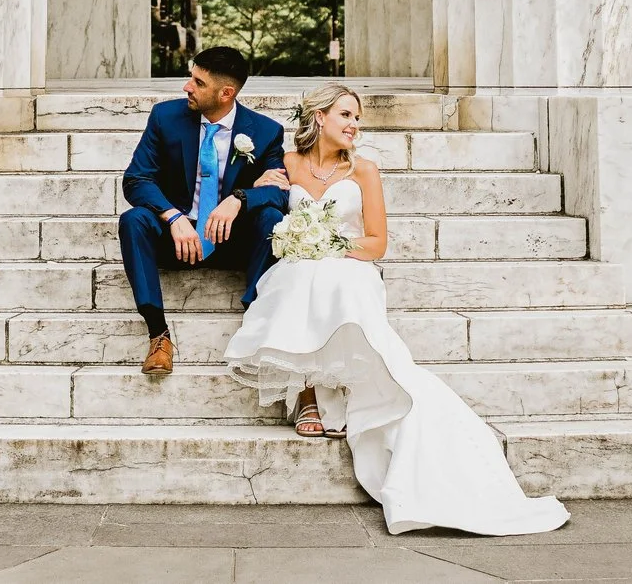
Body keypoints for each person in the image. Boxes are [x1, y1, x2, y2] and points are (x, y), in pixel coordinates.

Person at [225, 83, 570, 536]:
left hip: (350, 264)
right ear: (320, 118)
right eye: (346, 115)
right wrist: (257, 199)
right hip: (300, 264)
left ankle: (354, 390)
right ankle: (306, 394)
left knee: (333, 280)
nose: (354, 125)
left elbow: (376, 242)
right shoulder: (286, 166)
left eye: (357, 118)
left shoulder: (365, 170)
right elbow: (256, 207)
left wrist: (326, 243)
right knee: (295, 276)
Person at [116, 46, 289, 376]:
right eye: (190, 77)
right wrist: (173, 215)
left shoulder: (265, 132)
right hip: (178, 237)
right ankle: (159, 336)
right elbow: (136, 179)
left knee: (272, 219)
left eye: (198, 82)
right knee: (134, 220)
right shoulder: (165, 118)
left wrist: (239, 198)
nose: (187, 87)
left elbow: (279, 193)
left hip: (229, 238)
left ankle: (254, 323)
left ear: (226, 93)